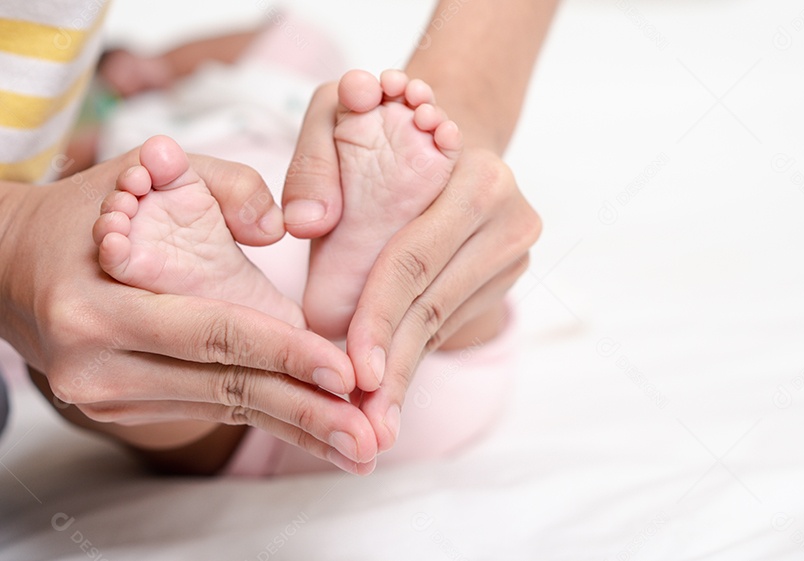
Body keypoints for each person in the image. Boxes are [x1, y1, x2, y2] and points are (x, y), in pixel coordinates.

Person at [0, 1, 555, 475]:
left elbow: (289, 34)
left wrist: (161, 62)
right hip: (404, 344)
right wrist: (19, 230)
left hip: (334, 237)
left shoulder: (246, 88)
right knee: (83, 315)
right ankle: (302, 301)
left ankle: (294, 302)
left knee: (110, 339)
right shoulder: (109, 164)